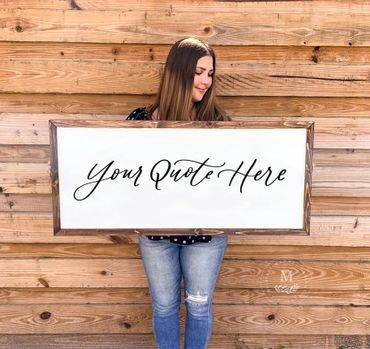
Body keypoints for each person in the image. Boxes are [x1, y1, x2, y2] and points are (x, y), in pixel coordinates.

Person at [126, 37, 229, 349]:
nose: (205, 81)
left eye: (210, 74)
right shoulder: (140, 122)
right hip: (156, 235)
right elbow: (122, 179)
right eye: (199, 72)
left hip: (206, 235)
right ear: (179, 72)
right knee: (164, 307)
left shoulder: (218, 123)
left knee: (199, 306)